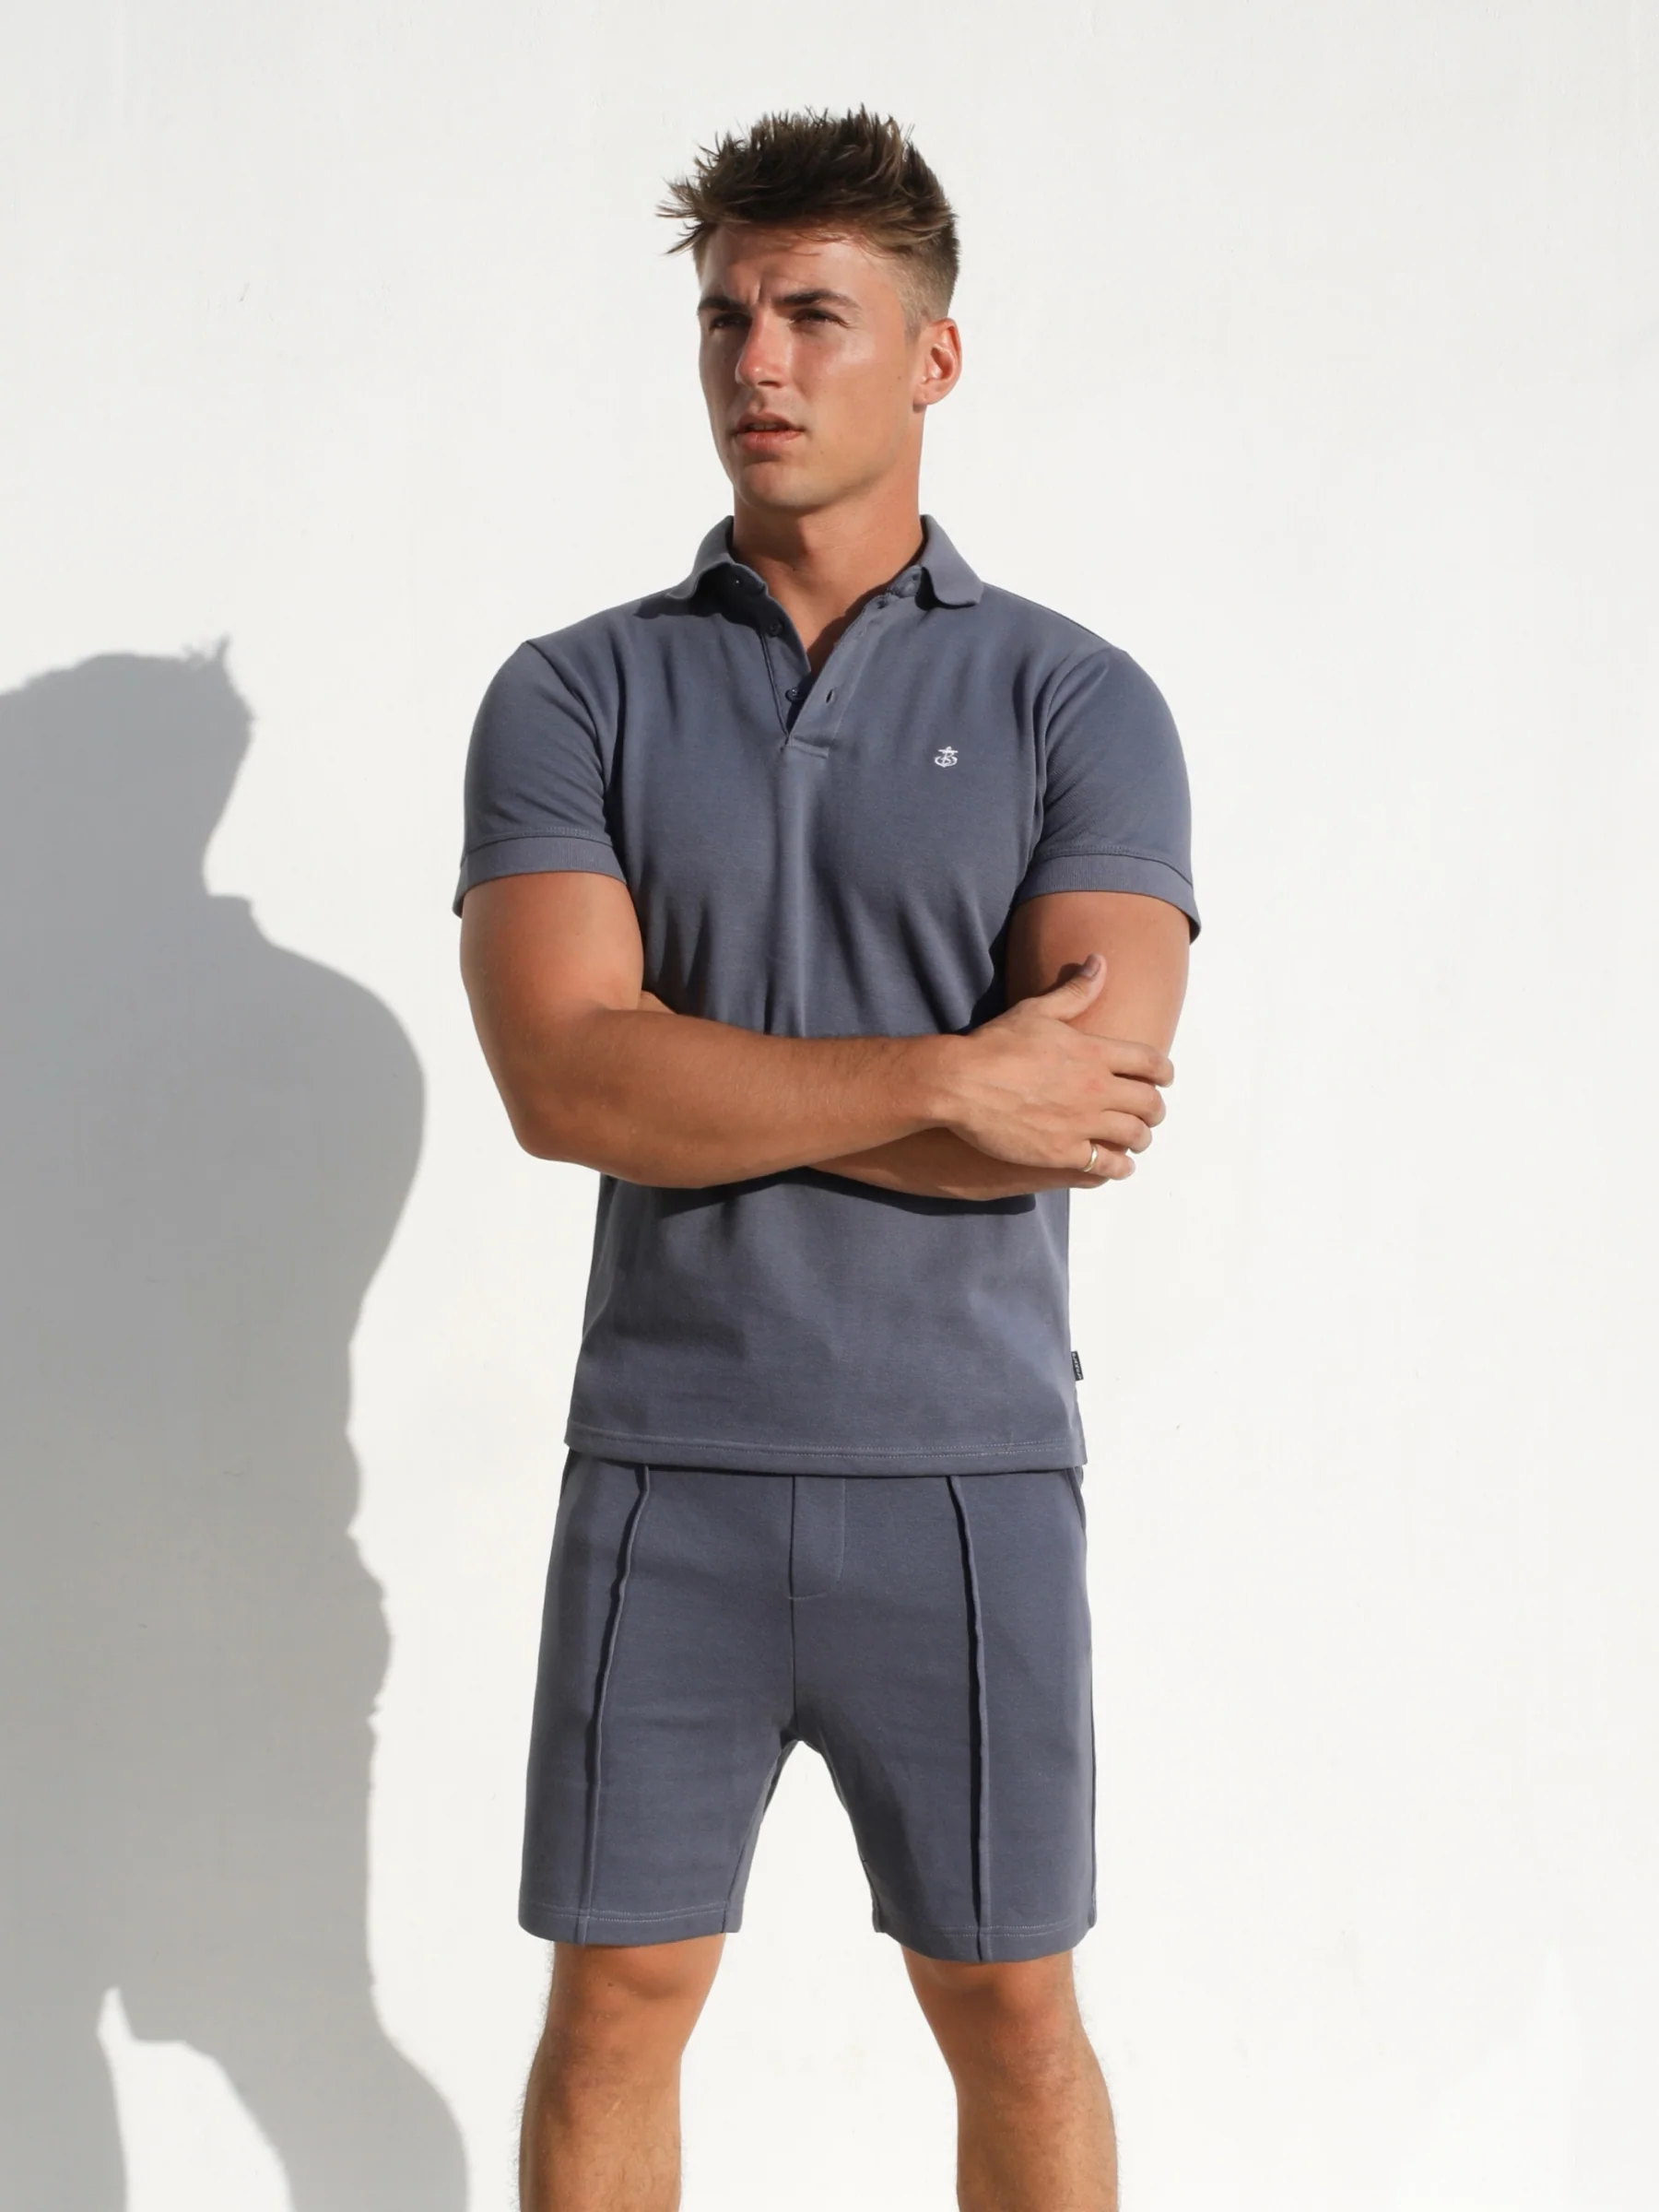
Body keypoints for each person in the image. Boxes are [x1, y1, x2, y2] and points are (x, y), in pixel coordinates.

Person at [454, 105, 1198, 2212]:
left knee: (1013, 2010)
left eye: (812, 316)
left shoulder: (1077, 700)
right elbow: (565, 1085)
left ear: (932, 356)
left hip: (969, 1476)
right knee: (616, 2005)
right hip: (663, 1469)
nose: (757, 364)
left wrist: (720, 1079)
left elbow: (1087, 1103)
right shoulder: (574, 695)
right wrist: (950, 1079)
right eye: (726, 318)